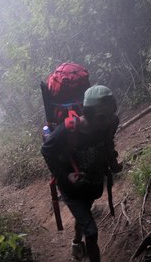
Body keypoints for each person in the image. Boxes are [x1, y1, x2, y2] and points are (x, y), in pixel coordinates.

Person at [41, 85, 121, 262]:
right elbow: (46, 150)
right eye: (102, 117)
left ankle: (77, 243)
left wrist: (112, 162)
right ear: (89, 114)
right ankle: (85, 246)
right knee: (91, 232)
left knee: (84, 213)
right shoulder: (68, 130)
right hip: (71, 189)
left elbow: (108, 144)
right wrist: (65, 177)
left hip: (92, 183)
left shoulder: (111, 123)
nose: (108, 120)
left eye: (110, 114)